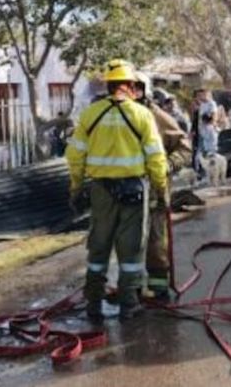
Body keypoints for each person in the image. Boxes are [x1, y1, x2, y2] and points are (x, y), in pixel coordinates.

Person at [65, 59, 168, 322]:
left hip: (100, 191)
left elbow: (75, 156)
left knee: (98, 247)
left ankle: (93, 303)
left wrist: (75, 187)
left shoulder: (90, 114)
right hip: (134, 191)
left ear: (108, 85)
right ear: (131, 85)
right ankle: (129, 304)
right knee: (131, 250)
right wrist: (161, 189)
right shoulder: (141, 114)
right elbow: (156, 158)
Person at [132, 73, 191, 302]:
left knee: (155, 242)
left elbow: (184, 148)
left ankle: (159, 287)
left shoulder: (157, 117)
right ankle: (132, 288)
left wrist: (167, 165)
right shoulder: (115, 116)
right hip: (123, 193)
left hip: (154, 193)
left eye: (135, 87)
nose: (129, 92)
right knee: (128, 244)